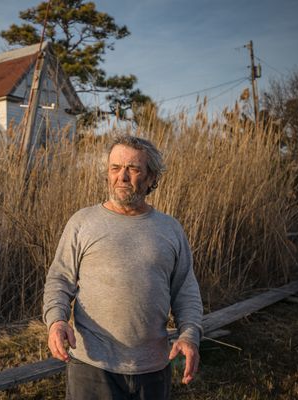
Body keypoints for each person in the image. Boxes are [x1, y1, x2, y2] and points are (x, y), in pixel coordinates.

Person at [43, 135, 203, 400]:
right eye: (115, 168)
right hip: (92, 366)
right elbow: (59, 280)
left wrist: (189, 336)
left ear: (151, 178)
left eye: (133, 169)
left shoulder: (170, 229)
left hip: (153, 368)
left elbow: (186, 292)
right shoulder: (83, 222)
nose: (122, 177)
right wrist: (56, 322)